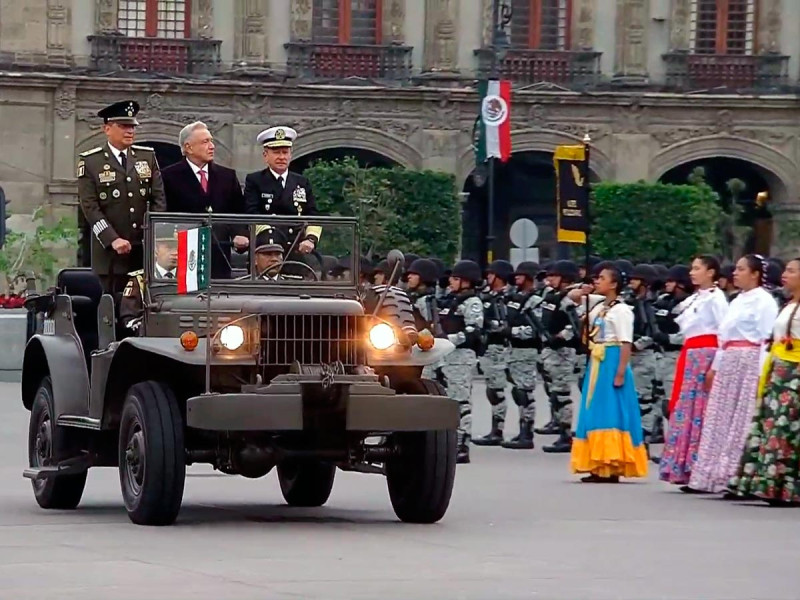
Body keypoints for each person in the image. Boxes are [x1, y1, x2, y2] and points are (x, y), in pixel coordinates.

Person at [686, 254, 779, 494]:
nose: (735, 273)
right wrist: (715, 367)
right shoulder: (736, 300)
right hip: (728, 360)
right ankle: (709, 474)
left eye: (741, 269)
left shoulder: (765, 301)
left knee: (742, 418)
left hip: (749, 361)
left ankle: (735, 475)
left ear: (755, 274)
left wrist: (761, 373)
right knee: (719, 417)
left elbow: (765, 339)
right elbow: (723, 339)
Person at [729, 258, 800, 505]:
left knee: (787, 428)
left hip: (795, 371)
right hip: (779, 369)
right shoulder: (789, 304)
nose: (785, 275)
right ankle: (769, 485)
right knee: (771, 425)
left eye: (792, 271)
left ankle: (788, 487)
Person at [568, 265, 648, 482]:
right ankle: (596, 463)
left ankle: (610, 464)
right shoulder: (599, 305)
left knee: (610, 411)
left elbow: (625, 342)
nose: (597, 281)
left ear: (614, 284)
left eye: (602, 278)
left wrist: (621, 372)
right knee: (593, 409)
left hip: (612, 359)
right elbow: (573, 299)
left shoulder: (621, 310)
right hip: (598, 360)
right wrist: (581, 291)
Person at [77, 100, 166, 295]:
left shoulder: (147, 157)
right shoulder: (92, 161)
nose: (130, 131)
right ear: (107, 129)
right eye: (124, 126)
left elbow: (159, 200)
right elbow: (90, 208)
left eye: (132, 127)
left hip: (143, 251)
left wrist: (155, 236)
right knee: (111, 308)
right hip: (110, 255)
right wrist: (112, 239)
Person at [659, 255, 729, 486]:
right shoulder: (697, 298)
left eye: (697, 268)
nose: (692, 272)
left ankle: (700, 466)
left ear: (711, 272)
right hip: (691, 354)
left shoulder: (717, 299)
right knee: (687, 408)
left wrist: (716, 366)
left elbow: (723, 334)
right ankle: (684, 465)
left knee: (701, 409)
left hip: (706, 355)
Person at [161, 121, 248, 279]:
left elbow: (238, 211)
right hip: (184, 256)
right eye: (205, 142)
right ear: (188, 147)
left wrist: (239, 234)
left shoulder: (227, 176)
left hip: (219, 255)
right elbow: (163, 215)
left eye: (211, 141)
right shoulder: (168, 177)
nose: (212, 146)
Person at [243, 126, 321, 255]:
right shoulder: (255, 180)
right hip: (267, 247)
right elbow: (251, 213)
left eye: (285, 152)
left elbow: (313, 214)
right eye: (276, 152)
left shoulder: (302, 182)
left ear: (290, 155)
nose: (281, 157)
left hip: (296, 247)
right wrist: (270, 235)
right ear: (265, 156)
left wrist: (310, 239)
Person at [438, 260, 484, 464]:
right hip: (447, 356)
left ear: (467, 282)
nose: (451, 282)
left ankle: (462, 444)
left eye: (456, 279)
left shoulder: (473, 302)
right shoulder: (452, 300)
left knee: (460, 401)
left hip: (461, 356)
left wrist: (451, 339)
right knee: (447, 400)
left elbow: (474, 330)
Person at [650, 264, 693, 457]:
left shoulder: (689, 304)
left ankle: (675, 446)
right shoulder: (662, 301)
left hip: (676, 355)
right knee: (657, 400)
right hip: (659, 356)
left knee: (672, 405)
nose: (667, 284)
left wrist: (668, 339)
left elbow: (690, 333)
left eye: (671, 280)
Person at [539, 260, 582, 453]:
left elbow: (576, 323)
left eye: (554, 276)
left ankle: (566, 434)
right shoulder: (551, 295)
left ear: (565, 278)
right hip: (549, 349)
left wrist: (560, 337)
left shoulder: (569, 298)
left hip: (563, 351)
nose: (550, 279)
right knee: (554, 392)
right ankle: (559, 426)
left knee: (562, 394)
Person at [500, 261, 542, 450]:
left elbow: (536, 330)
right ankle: (522, 431)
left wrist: (511, 331)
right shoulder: (515, 297)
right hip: (514, 350)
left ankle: (527, 433)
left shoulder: (535, 301)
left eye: (520, 275)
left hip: (527, 350)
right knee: (518, 391)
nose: (516, 278)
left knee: (524, 392)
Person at [474, 260, 513, 447]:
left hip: (500, 348)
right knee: (491, 389)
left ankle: (498, 430)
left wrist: (490, 326)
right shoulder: (486, 297)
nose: (488, 277)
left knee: (497, 390)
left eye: (491, 274)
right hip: (487, 348)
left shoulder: (506, 298)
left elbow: (504, 324)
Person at [627, 263, 662, 447]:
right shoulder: (630, 302)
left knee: (643, 401)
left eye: (635, 279)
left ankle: (644, 441)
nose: (631, 282)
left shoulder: (652, 304)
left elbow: (653, 333)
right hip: (628, 355)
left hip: (644, 355)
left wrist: (635, 345)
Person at [118, 226, 178, 332]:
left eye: (177, 248)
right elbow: (128, 319)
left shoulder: (189, 278)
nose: (175, 253)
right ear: (155, 250)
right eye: (169, 248)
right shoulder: (139, 280)